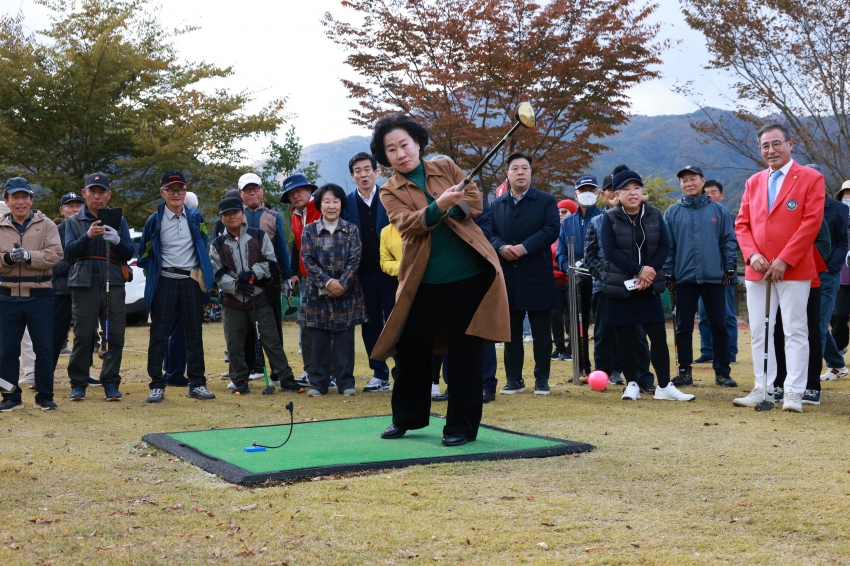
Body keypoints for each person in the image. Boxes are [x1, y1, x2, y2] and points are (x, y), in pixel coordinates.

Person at [369, 113, 510, 447]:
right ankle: (407, 417)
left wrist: (454, 205)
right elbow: (406, 225)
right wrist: (439, 206)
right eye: (391, 149)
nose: (400, 153)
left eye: (404, 144)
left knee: (465, 354)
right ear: (385, 156)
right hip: (422, 281)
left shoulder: (445, 166)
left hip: (469, 278)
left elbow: (475, 200)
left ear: (417, 143)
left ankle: (461, 426)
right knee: (410, 351)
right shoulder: (389, 190)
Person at [733, 123, 825, 413]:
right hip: (757, 269)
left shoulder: (811, 177)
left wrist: (786, 258)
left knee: (796, 330)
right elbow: (742, 223)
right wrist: (751, 255)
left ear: (790, 144)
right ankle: (763, 387)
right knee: (760, 330)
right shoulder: (754, 181)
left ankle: (794, 392)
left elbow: (811, 221)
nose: (770, 150)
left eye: (776, 143)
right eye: (765, 146)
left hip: (794, 268)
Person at [600, 169, 695, 402]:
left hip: (650, 285)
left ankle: (664, 386)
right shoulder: (610, 217)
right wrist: (638, 270)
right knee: (624, 337)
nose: (633, 193)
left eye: (637, 188)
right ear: (617, 194)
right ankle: (631, 383)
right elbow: (610, 251)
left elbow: (665, 245)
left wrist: (649, 272)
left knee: (658, 335)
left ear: (642, 192)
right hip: (621, 286)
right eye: (626, 189)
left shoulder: (653, 214)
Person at [139, 171, 217, 403]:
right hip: (165, 280)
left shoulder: (196, 218)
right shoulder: (154, 221)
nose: (176, 194)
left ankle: (197, 383)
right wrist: (153, 275)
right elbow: (144, 253)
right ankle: (156, 385)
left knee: (194, 335)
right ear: (162, 192)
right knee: (159, 335)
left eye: (180, 189)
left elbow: (203, 245)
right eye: (171, 190)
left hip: (191, 281)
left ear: (186, 192)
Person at [210, 197, 298, 395]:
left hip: (259, 296)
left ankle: (285, 378)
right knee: (234, 342)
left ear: (242, 214)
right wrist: (237, 286)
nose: (232, 216)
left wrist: (254, 273)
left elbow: (271, 261)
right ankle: (240, 380)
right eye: (227, 214)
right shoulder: (217, 243)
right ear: (221, 218)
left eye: (235, 212)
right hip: (232, 301)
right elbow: (217, 274)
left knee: (271, 339)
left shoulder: (259, 235)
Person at [490, 151, 559, 395]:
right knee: (511, 332)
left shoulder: (545, 200)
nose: (520, 172)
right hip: (509, 275)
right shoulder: (497, 203)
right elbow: (489, 232)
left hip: (537, 274)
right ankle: (514, 379)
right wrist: (501, 246)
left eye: (525, 168)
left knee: (541, 331)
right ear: (506, 173)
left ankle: (542, 380)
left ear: (531, 172)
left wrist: (524, 247)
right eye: (515, 168)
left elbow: (551, 229)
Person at [663, 165, 738, 388]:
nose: (688, 183)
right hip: (684, 278)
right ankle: (684, 371)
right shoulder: (672, 212)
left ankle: (722, 371)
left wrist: (730, 266)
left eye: (693, 179)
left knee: (719, 325)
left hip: (714, 276)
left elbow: (728, 241)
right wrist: (668, 271)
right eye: (684, 180)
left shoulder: (719, 211)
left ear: (702, 181)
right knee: (683, 326)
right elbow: (668, 246)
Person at [584, 167, 656, 391]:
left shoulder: (642, 218)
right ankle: (603, 375)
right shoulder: (598, 221)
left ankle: (644, 379)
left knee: (637, 335)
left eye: (623, 189)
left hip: (635, 286)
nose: (615, 194)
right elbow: (589, 256)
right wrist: (605, 276)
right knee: (603, 334)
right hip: (604, 288)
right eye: (611, 190)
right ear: (606, 195)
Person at [65, 173, 134, 402]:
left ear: (109, 195)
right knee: (83, 334)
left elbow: (129, 252)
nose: (97, 197)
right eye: (92, 192)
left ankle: (111, 382)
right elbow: (69, 253)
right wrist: (87, 236)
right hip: (83, 280)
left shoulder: (119, 220)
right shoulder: (73, 222)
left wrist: (116, 240)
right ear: (84, 193)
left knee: (115, 333)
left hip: (112, 279)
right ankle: (78, 383)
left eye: (101, 192)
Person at [0, 177, 63, 412]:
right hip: (6, 294)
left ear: (31, 199)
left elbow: (56, 254)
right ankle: (10, 397)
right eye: (14, 197)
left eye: (24, 196)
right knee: (7, 350)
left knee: (44, 348)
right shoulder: (0, 226)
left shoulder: (46, 224)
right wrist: (7, 259)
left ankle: (45, 396)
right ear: (7, 200)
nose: (20, 201)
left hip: (40, 294)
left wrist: (29, 256)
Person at [298, 183, 366, 396]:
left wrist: (341, 283)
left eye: (335, 201)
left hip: (346, 292)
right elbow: (307, 259)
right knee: (319, 339)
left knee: (345, 339)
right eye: (326, 201)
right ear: (319, 204)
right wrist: (328, 283)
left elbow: (355, 259)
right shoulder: (310, 230)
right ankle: (318, 383)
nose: (331, 205)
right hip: (318, 292)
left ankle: (346, 383)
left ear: (341, 204)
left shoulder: (351, 229)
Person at [341, 152, 397, 392]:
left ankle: (403, 371)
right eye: (358, 171)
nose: (363, 174)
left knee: (396, 321)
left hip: (391, 272)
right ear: (352, 176)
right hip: (361, 275)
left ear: (376, 171)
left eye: (367, 169)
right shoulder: (346, 202)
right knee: (370, 323)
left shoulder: (390, 197)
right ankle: (379, 373)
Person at [237, 173, 293, 381]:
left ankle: (277, 369)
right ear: (240, 193)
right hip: (242, 279)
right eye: (247, 190)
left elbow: (281, 248)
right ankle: (251, 367)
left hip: (269, 278)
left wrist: (287, 274)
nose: (252, 193)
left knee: (272, 326)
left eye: (255, 188)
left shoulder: (273, 216)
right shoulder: (234, 214)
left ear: (262, 191)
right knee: (245, 326)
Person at [773, 219, 831, 406]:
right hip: (776, 277)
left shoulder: (812, 215)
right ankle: (779, 381)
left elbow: (824, 245)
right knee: (777, 331)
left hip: (807, 276)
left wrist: (793, 256)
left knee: (809, 332)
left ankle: (811, 384)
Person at [52, 192, 101, 388]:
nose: (74, 209)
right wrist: (75, 268)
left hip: (85, 286)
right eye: (70, 206)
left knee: (86, 333)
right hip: (63, 289)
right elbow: (54, 263)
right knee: (56, 334)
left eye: (78, 206)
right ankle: (45, 374)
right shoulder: (55, 230)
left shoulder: (89, 227)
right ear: (62, 210)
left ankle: (84, 371)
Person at [280, 173, 323, 386]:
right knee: (306, 324)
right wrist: (294, 272)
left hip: (327, 277)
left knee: (328, 324)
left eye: (299, 190)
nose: (295, 196)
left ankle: (330, 373)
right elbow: (297, 245)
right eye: (291, 193)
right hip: (306, 279)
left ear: (309, 190)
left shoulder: (323, 206)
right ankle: (310, 370)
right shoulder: (294, 215)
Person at [556, 176, 601, 375]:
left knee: (603, 325)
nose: (587, 194)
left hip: (600, 280)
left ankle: (607, 368)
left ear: (598, 193)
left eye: (591, 190)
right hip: (576, 280)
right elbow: (561, 253)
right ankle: (583, 366)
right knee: (578, 326)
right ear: (575, 195)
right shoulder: (567, 223)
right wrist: (569, 268)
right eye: (583, 190)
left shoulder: (604, 217)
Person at [810, 166, 850, 381]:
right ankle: (837, 364)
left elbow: (842, 241)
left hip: (826, 273)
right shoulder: (798, 206)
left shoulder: (837, 208)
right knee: (809, 322)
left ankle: (810, 377)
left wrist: (832, 266)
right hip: (803, 273)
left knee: (817, 322)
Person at [694, 180, 740, 365]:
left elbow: (733, 245)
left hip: (724, 274)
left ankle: (730, 351)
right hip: (702, 273)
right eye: (706, 192)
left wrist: (728, 268)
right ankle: (707, 350)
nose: (710, 196)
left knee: (726, 314)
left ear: (722, 195)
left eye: (714, 192)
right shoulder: (699, 217)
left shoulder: (731, 218)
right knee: (704, 315)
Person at [162, 190, 199, 387]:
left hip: (175, 281)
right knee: (180, 331)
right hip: (183, 280)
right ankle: (175, 372)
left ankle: (170, 369)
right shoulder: (189, 220)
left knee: (172, 331)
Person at [551, 199, 577, 361]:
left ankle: (571, 347)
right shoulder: (551, 231)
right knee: (554, 315)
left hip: (572, 278)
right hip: (553, 279)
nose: (560, 215)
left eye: (564, 211)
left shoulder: (575, 232)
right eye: (559, 211)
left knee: (572, 316)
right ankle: (559, 347)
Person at [828, 181, 850, 354]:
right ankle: (838, 353)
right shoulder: (836, 215)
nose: (848, 197)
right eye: (846, 193)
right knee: (839, 315)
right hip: (842, 275)